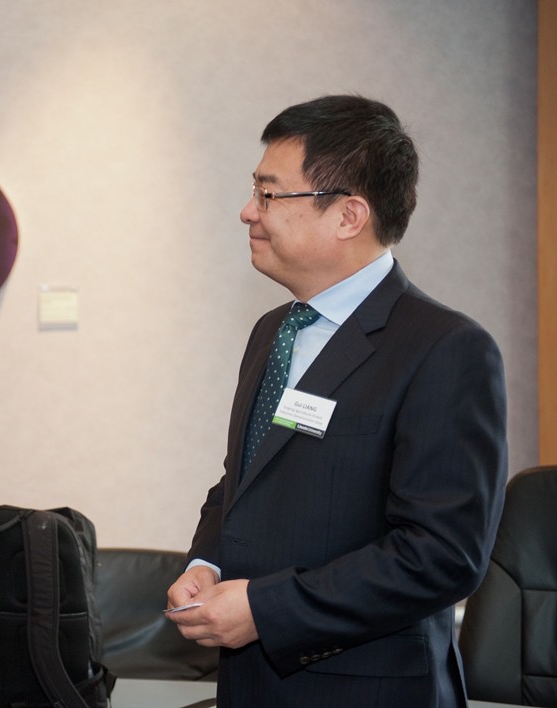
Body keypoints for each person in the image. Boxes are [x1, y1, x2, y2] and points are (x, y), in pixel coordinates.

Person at [166, 95, 507, 707]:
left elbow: (442, 555)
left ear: (349, 215)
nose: (248, 212)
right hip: (250, 683)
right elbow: (246, 482)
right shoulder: (275, 330)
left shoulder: (445, 349)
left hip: (366, 688)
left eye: (270, 194)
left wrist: (267, 609)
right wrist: (208, 566)